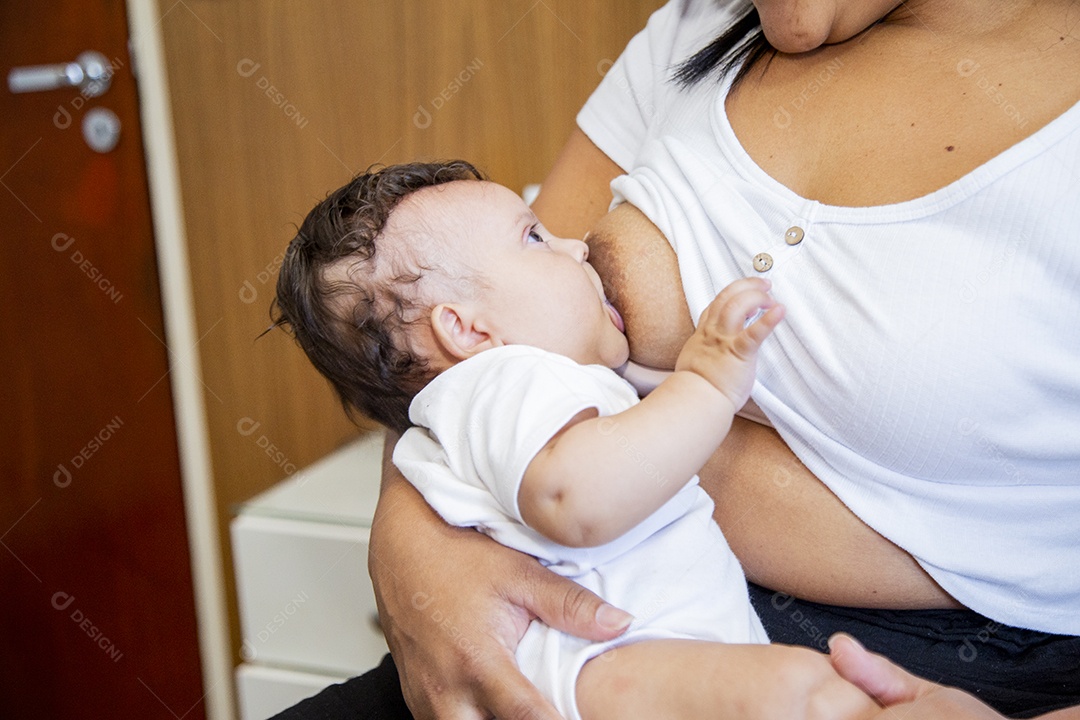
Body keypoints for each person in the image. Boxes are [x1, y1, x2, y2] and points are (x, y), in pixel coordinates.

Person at [274, 0, 1080, 718]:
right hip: (586, 634)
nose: (566, 241)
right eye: (533, 234)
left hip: (950, 677)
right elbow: (440, 352)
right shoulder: (695, 29)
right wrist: (415, 553)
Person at [272, 159, 892, 719]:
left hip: (614, 662)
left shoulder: (481, 401)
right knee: (801, 691)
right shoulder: (508, 380)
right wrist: (707, 379)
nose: (576, 246)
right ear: (466, 329)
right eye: (534, 237)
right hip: (606, 670)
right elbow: (574, 499)